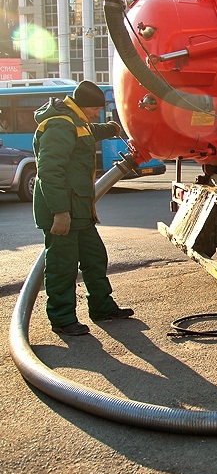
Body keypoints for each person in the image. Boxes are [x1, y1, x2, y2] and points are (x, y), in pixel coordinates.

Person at [33, 80, 134, 336]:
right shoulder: (60, 125)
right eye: (96, 109)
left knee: (94, 257)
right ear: (85, 106)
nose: (96, 114)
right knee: (62, 266)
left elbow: (89, 131)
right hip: (64, 211)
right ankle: (62, 319)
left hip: (79, 210)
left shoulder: (76, 122)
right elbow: (49, 171)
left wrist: (111, 129)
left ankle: (102, 307)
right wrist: (60, 212)